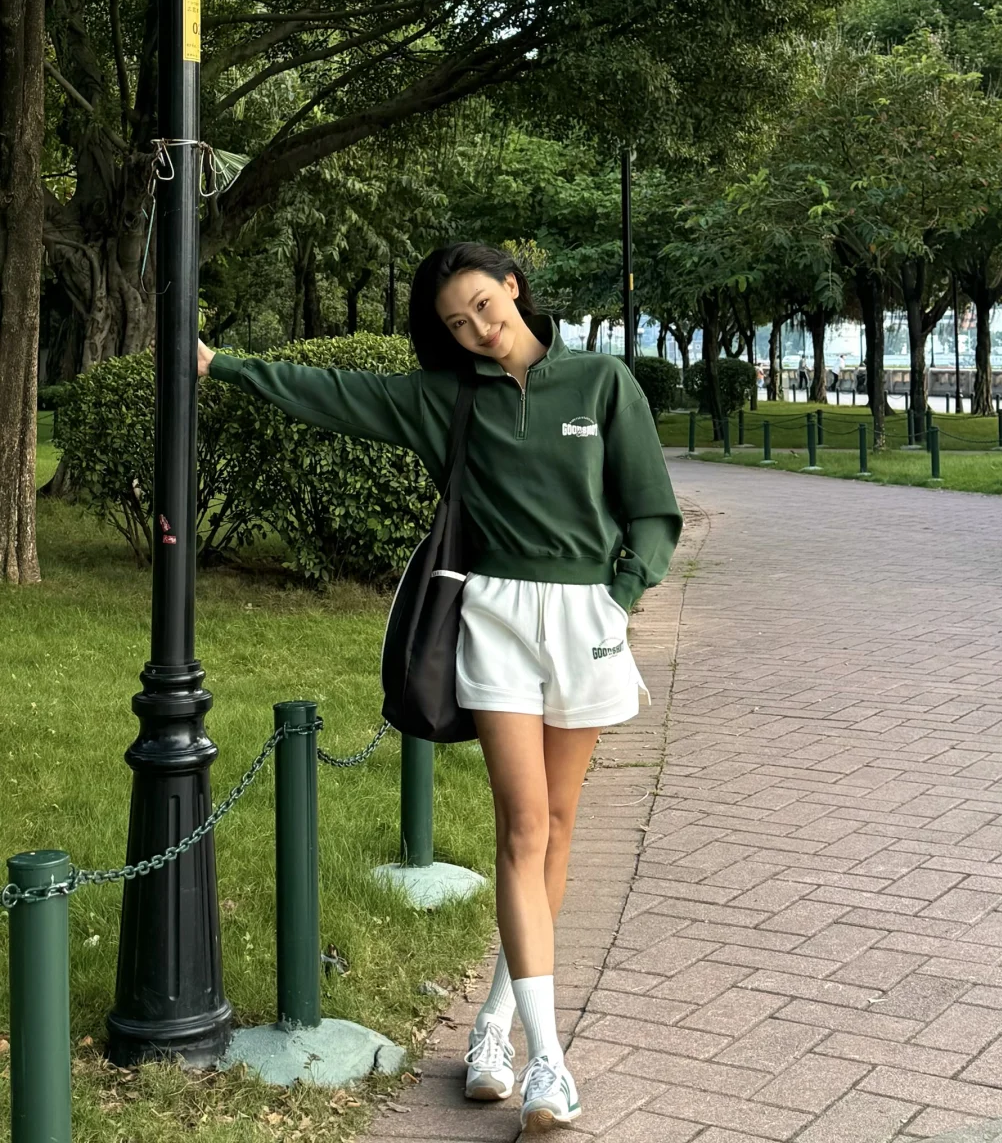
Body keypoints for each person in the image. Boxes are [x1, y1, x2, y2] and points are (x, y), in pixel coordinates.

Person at [199, 242, 683, 1134]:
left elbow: (652, 507)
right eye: (457, 324)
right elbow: (334, 394)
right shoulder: (445, 398)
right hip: (493, 618)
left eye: (484, 309)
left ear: (514, 288)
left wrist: (621, 597)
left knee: (559, 826)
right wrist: (221, 365)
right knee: (523, 826)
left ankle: (494, 1022)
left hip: (587, 620)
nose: (477, 331)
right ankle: (549, 1063)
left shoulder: (601, 382)